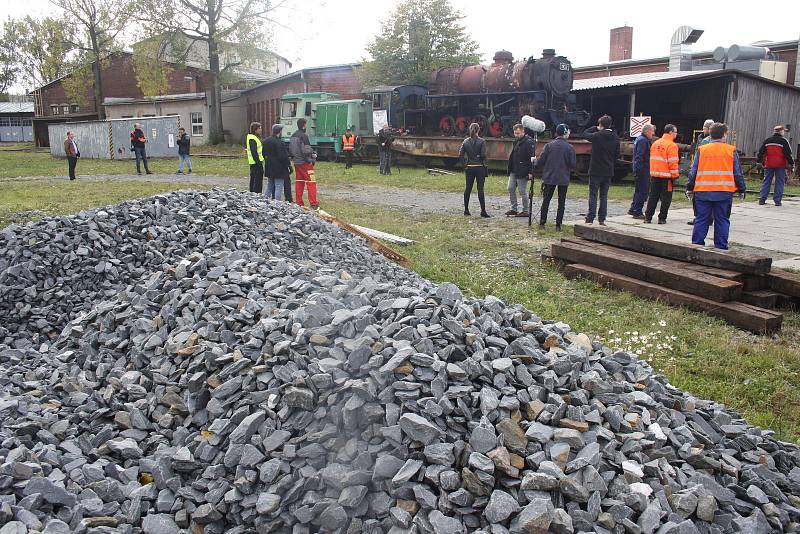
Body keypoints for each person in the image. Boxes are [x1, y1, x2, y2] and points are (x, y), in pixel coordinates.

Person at [686, 122, 746, 249]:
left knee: (701, 219)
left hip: (703, 191)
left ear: (710, 134)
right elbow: (737, 173)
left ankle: (696, 247)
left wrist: (690, 187)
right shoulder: (731, 150)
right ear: (724, 135)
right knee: (722, 220)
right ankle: (721, 247)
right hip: (723, 192)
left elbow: (693, 171)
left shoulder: (702, 150)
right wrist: (741, 188)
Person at [535, 123, 576, 229]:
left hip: (549, 177)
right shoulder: (570, 147)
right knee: (561, 201)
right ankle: (558, 224)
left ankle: (542, 222)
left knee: (546, 200)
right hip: (563, 177)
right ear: (566, 133)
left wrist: (534, 162)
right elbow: (572, 164)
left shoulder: (549, 145)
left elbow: (541, 161)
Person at [583, 115, 620, 225]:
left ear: (601, 125)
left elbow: (584, 134)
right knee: (604, 196)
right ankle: (602, 218)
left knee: (593, 195)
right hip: (608, 170)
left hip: (595, 170)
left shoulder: (597, 135)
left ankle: (590, 217)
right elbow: (617, 155)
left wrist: (595, 128)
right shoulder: (615, 137)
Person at [644, 124, 680, 224]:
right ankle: (662, 218)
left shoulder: (655, 143)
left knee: (653, 197)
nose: (676, 134)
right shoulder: (672, 145)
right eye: (675, 132)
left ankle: (648, 217)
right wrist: (675, 176)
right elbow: (673, 162)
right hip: (667, 177)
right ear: (671, 132)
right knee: (666, 199)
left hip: (655, 175)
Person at [757, 125, 795, 206]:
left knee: (766, 181)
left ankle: (762, 199)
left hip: (769, 164)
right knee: (780, 182)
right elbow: (788, 154)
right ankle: (777, 201)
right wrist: (792, 163)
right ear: (781, 132)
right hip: (780, 165)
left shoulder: (767, 141)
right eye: (783, 131)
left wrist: (759, 162)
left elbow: (761, 152)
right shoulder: (784, 141)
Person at [459, 122, 490, 218]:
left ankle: (466, 210)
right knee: (480, 189)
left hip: (469, 168)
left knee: (468, 188)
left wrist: (465, 164)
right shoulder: (482, 141)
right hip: (480, 167)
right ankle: (483, 211)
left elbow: (460, 155)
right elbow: (483, 154)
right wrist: (479, 157)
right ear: (478, 130)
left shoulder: (465, 141)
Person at [687, 119, 715, 225]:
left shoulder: (707, 140)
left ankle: (702, 218)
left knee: (700, 196)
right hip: (700, 169)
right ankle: (705, 217)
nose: (703, 129)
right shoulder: (700, 138)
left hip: (703, 171)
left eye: (705, 127)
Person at [505, 123, 536, 218]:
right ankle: (514, 209)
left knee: (522, 191)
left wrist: (530, 172)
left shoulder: (529, 142)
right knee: (510, 188)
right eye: (515, 133)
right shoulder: (516, 141)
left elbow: (532, 158)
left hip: (523, 170)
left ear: (523, 131)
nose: (516, 135)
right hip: (514, 169)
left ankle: (525, 210)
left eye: (518, 133)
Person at [289, 118, 318, 208]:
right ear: (304, 125)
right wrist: (312, 157)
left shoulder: (293, 135)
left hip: (297, 163)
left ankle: (299, 202)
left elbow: (291, 150)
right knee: (311, 182)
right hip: (305, 163)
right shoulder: (304, 136)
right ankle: (313, 203)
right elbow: (306, 150)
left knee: (299, 182)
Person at [628, 124, 654, 219]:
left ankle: (633, 208)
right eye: (652, 131)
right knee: (642, 191)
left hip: (641, 169)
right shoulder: (643, 141)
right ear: (647, 131)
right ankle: (637, 211)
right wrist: (639, 170)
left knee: (638, 190)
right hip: (643, 169)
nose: (653, 133)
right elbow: (640, 156)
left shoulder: (640, 139)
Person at [264, 124, 292, 201]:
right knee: (278, 186)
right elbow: (283, 157)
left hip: (269, 166)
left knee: (270, 185)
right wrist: (288, 165)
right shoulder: (280, 142)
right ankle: (277, 203)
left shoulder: (266, 141)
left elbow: (263, 154)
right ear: (279, 131)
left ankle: (265, 200)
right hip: (279, 168)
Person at [246, 122, 264, 193]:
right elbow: (254, 152)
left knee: (254, 180)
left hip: (255, 162)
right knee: (257, 181)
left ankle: (253, 193)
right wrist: (259, 163)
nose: (261, 130)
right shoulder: (252, 139)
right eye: (259, 128)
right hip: (256, 163)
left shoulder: (253, 137)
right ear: (255, 130)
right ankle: (256, 194)